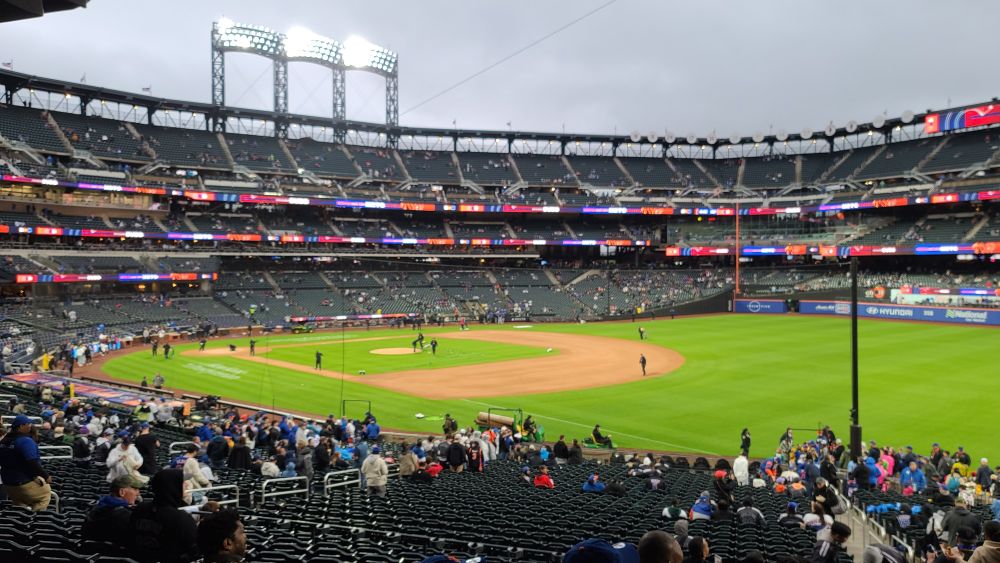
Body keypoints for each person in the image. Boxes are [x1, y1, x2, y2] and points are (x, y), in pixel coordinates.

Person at [129, 469, 198, 563]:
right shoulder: (181, 518)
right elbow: (194, 550)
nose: (186, 485)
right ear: (172, 486)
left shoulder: (139, 509)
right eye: (182, 482)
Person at [0, 414, 52, 511]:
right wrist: (46, 476)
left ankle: (22, 521)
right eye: (28, 423)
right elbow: (32, 462)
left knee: (19, 503)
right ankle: (36, 521)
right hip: (22, 482)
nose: (30, 425)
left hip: (7, 482)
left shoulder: (4, 441)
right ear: (21, 426)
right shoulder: (25, 441)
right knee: (44, 495)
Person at [83, 474, 145, 544]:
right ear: (122, 492)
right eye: (135, 489)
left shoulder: (94, 509)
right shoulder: (125, 515)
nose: (138, 493)